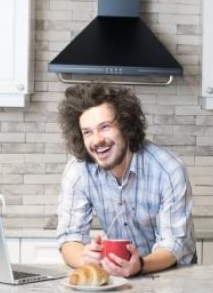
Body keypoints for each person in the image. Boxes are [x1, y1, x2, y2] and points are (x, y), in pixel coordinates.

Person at [55, 83, 196, 277]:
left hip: (171, 274)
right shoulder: (78, 171)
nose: (97, 140)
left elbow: (173, 245)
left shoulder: (168, 170)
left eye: (104, 127)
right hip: (119, 277)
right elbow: (69, 237)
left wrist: (139, 265)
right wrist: (84, 258)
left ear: (126, 126)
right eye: (87, 132)